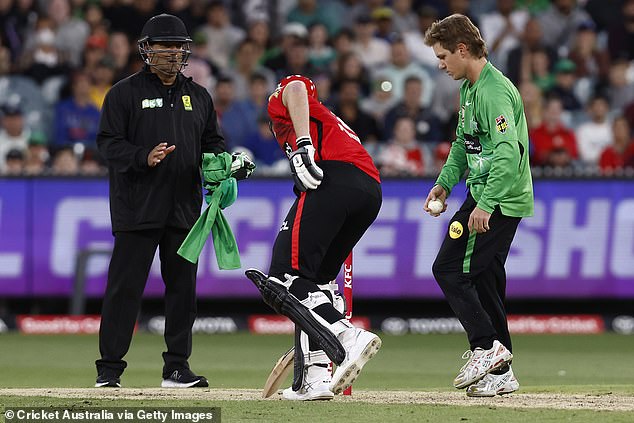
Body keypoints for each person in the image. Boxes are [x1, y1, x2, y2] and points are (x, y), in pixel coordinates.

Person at [94, 13, 251, 389]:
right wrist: (142, 156)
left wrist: (227, 165)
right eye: (164, 46)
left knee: (183, 293)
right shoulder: (124, 93)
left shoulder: (198, 96)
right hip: (137, 208)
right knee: (124, 290)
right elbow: (108, 144)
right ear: (147, 49)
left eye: (178, 46)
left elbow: (213, 144)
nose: (172, 53)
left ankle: (177, 368)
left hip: (185, 210)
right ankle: (109, 370)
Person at [245, 75, 382, 401]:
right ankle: (314, 380)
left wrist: (304, 144)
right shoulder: (325, 122)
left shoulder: (284, 108)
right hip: (369, 189)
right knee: (315, 283)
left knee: (283, 280)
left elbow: (295, 87)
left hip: (335, 177)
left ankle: (347, 337)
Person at [423, 14, 534, 397]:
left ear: (463, 49)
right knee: (485, 279)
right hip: (488, 193)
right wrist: (443, 183)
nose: (440, 64)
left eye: (442, 56)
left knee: (449, 269)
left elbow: (508, 154)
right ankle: (501, 372)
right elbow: (463, 145)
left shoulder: (493, 92)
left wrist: (484, 205)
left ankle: (485, 346)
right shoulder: (470, 89)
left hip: (498, 198)